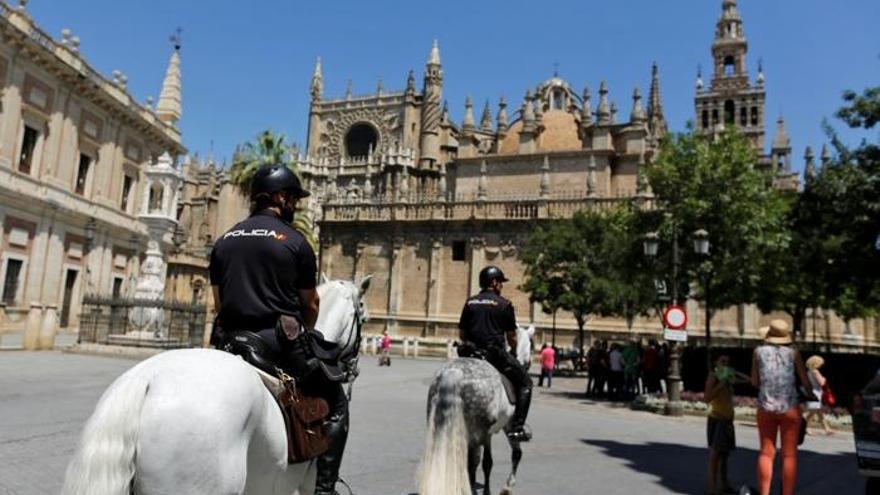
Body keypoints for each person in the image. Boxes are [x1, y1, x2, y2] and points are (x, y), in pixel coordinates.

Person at [209, 164, 347, 495]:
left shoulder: (225, 240)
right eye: (294, 198)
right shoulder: (295, 242)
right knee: (337, 404)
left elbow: (218, 302)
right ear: (280, 197)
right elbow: (311, 304)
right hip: (275, 345)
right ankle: (324, 489)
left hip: (227, 342)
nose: (295, 205)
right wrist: (305, 334)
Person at [458, 265, 533, 442]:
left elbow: (462, 333)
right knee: (526, 383)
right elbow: (512, 336)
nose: (501, 286)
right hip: (494, 354)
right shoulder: (504, 304)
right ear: (493, 282)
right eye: (500, 282)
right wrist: (514, 353)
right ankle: (518, 428)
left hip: (470, 353)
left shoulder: (470, 302)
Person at [750, 319, 811, 495]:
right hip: (790, 408)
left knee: (766, 453)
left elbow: (754, 381)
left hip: (765, 407)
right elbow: (805, 382)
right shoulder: (794, 353)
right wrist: (811, 393)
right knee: (789, 455)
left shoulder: (758, 352)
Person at [705, 354, 749, 495]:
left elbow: (747, 379)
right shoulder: (714, 376)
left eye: (727, 363)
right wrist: (720, 385)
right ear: (715, 363)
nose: (725, 365)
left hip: (727, 419)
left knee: (725, 454)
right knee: (715, 453)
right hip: (717, 418)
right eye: (722, 361)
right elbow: (707, 397)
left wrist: (732, 373)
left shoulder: (727, 377)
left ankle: (724, 484)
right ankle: (712, 487)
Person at [804, 355, 833, 435]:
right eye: (820, 363)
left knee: (819, 412)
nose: (821, 365)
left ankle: (827, 429)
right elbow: (822, 382)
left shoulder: (809, 371)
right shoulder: (815, 371)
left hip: (813, 391)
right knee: (812, 412)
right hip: (816, 393)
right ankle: (805, 427)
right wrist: (824, 379)